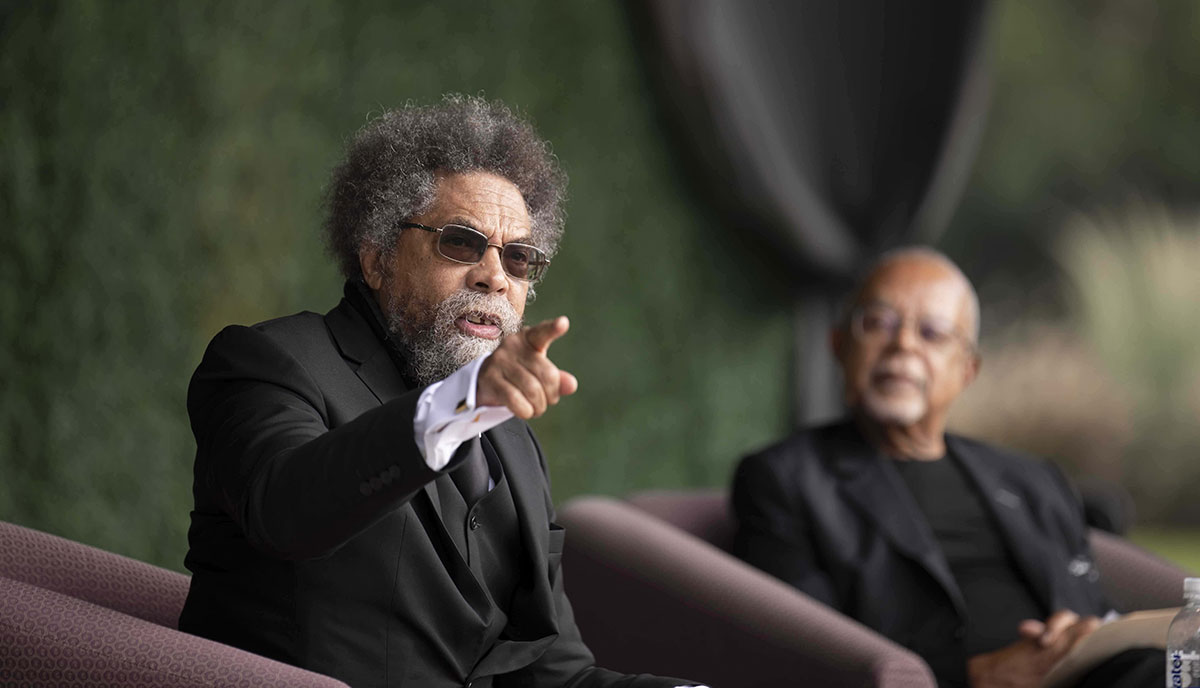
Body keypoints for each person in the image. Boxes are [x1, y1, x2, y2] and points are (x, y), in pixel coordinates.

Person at [179, 96, 695, 688]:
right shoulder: (271, 361)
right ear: (376, 258)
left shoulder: (516, 442)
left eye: (519, 259)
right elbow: (286, 510)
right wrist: (462, 404)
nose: (494, 276)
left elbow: (555, 675)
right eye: (461, 243)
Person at [731, 248, 1161, 688]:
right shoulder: (785, 478)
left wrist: (1083, 632)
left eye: (933, 333)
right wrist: (978, 675)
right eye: (878, 323)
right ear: (839, 345)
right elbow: (803, 645)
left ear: (967, 370)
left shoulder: (1031, 479)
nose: (903, 345)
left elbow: (1088, 601)